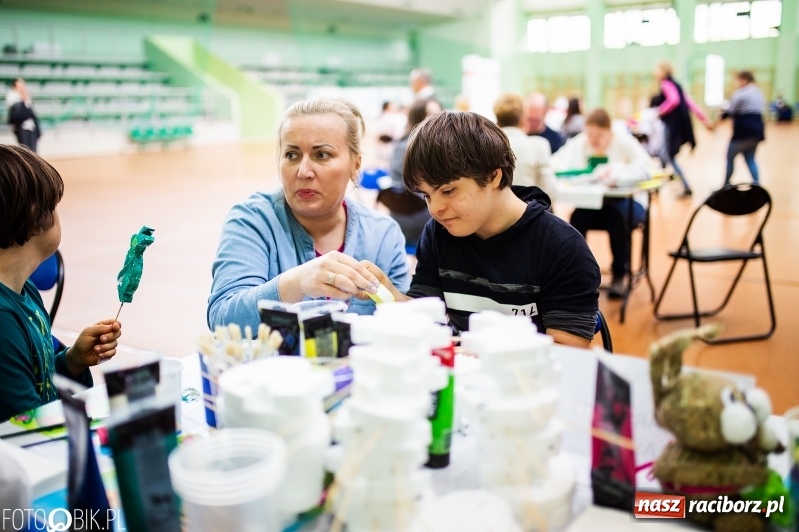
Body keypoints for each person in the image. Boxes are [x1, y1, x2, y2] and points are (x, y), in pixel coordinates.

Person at [360, 112, 601, 348]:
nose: (435, 209)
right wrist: (387, 292)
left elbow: (568, 353)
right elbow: (424, 311)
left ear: (493, 176)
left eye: (448, 191)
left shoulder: (562, 248)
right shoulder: (438, 234)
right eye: (426, 195)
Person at [208, 97, 410, 332]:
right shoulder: (252, 221)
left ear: (355, 165)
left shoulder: (383, 234)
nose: (303, 171)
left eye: (321, 155)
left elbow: (407, 327)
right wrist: (295, 283)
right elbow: (222, 319)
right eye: (292, 155)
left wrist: (392, 298)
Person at [0, 144, 122, 422]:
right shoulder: (3, 320)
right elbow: (27, 424)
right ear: (32, 220)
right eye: (53, 206)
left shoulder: (25, 289)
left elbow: (39, 382)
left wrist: (72, 360)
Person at [553, 109, 652, 299]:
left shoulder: (624, 142)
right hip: (595, 203)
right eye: (590, 135)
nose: (594, 140)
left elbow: (647, 166)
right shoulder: (580, 142)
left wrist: (622, 174)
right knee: (576, 219)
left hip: (627, 205)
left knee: (617, 219)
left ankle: (620, 274)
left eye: (599, 136)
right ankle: (578, 273)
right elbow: (555, 162)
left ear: (610, 132)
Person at [377, 98, 442, 247]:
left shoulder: (401, 143)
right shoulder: (417, 147)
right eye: (433, 115)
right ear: (420, 118)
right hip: (416, 217)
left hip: (401, 218)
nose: (439, 120)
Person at [653, 61, 712, 197]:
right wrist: (704, 120)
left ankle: (685, 185)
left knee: (669, 157)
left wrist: (659, 111)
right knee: (664, 155)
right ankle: (656, 185)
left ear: (663, 71)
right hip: (678, 127)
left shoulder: (666, 84)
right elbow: (690, 104)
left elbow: (674, 100)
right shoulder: (677, 85)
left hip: (671, 126)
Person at [493, 92, 554, 195]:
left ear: (497, 119)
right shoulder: (538, 145)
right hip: (527, 208)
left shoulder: (486, 146)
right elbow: (550, 192)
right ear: (523, 119)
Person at [716, 71, 765, 186]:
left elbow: (731, 111)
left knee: (730, 157)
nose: (737, 83)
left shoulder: (740, 93)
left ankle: (725, 185)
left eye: (738, 81)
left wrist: (717, 121)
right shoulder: (759, 93)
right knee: (750, 158)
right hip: (757, 132)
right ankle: (757, 185)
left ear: (744, 80)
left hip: (743, 132)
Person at [5, 78, 41, 153]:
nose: (23, 86)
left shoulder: (24, 96)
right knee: (26, 151)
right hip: (21, 128)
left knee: (33, 151)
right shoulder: (12, 96)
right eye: (21, 84)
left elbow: (32, 114)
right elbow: (18, 113)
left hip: (31, 127)